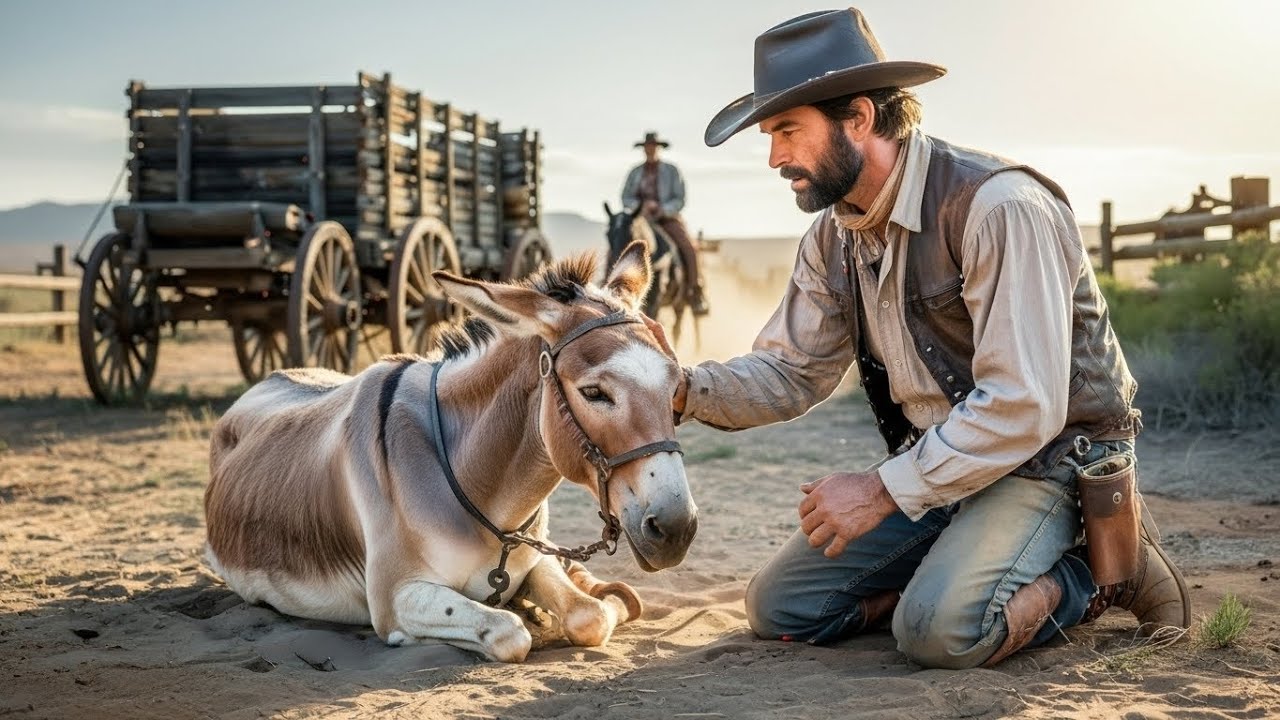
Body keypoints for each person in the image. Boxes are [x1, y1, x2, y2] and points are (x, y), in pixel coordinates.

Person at [666, 7, 1190, 669]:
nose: (775, 157)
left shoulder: (996, 207)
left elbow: (1025, 405)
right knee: (780, 608)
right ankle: (941, 580)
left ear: (857, 118)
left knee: (938, 632)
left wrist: (883, 490)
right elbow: (791, 372)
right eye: (771, 136)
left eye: (788, 131)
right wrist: (680, 390)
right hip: (944, 468)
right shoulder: (833, 239)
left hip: (1052, 461)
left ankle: (1106, 571)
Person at [621, 132, 710, 316]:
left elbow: (680, 199)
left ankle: (695, 291)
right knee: (618, 241)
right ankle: (610, 284)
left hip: (667, 219)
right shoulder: (635, 172)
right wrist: (641, 206)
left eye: (653, 146)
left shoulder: (671, 171)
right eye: (648, 146)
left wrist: (662, 209)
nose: (650, 149)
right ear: (644, 149)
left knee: (688, 247)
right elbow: (625, 197)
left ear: (658, 148)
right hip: (641, 220)